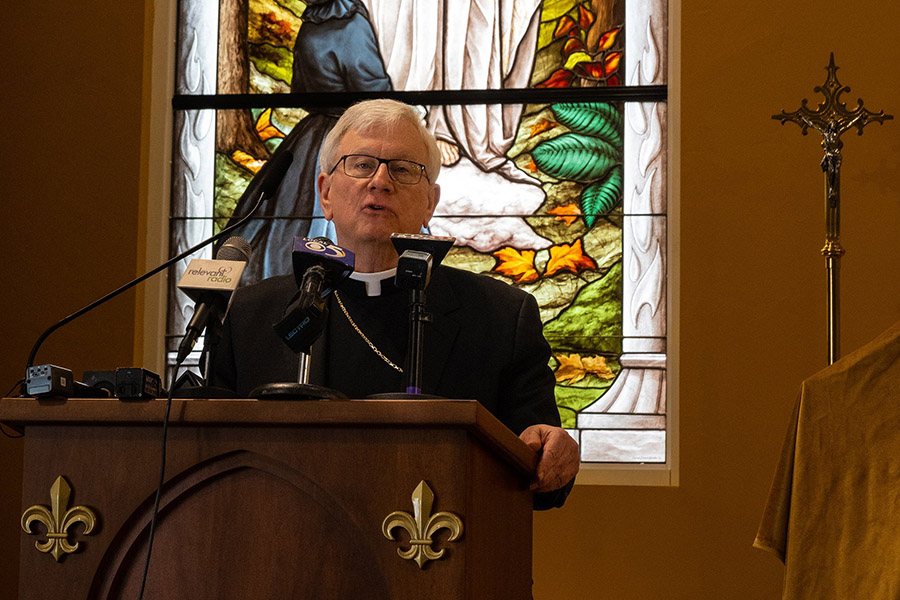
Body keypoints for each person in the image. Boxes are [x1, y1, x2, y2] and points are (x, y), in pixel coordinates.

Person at [211, 99, 579, 507]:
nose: (380, 181)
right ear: (326, 193)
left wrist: (553, 450)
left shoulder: (502, 318)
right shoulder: (249, 316)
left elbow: (543, 476)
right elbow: (210, 463)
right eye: (361, 164)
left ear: (429, 203)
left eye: (403, 169)